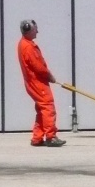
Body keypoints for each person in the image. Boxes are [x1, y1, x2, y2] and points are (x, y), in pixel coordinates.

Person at [17, 19, 66, 147]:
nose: (37, 32)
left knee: (41, 109)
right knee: (48, 107)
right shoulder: (28, 47)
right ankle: (51, 136)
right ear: (29, 31)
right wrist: (49, 75)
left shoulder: (23, 44)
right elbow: (38, 67)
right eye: (35, 29)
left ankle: (37, 138)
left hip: (33, 82)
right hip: (38, 82)